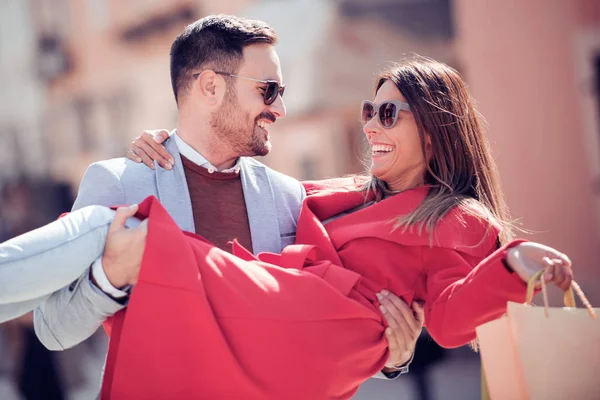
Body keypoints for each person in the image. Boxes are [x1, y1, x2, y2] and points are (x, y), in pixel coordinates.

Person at [0, 57, 574, 399]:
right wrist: (163, 143)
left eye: (389, 114)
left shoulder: (459, 217)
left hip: (326, 320)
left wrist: (513, 264)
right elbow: (232, 176)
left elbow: (448, 323)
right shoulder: (351, 189)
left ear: (435, 130)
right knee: (124, 235)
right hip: (292, 308)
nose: (372, 126)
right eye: (369, 112)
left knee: (128, 230)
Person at [31, 14, 419, 380]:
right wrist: (110, 278)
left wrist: (391, 357)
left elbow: (318, 323)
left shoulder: (287, 196)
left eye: (280, 92)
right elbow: (53, 329)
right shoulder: (118, 184)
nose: (280, 108)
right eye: (268, 91)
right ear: (211, 87)